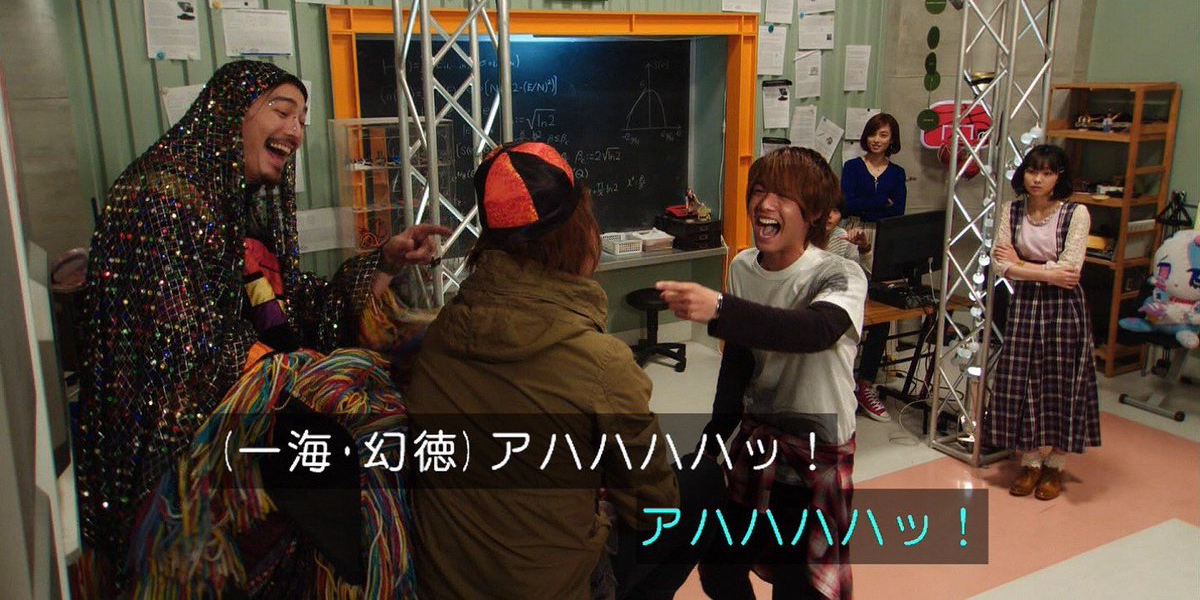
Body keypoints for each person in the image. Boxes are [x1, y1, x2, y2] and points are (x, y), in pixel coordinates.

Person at [71, 60, 447, 595]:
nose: (295, 131)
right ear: (230, 114)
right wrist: (303, 376)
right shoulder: (159, 200)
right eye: (282, 110)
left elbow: (290, 310)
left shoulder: (229, 209)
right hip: (178, 457)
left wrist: (385, 261)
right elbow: (182, 351)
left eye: (302, 119)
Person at [406, 141, 722, 600]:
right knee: (702, 480)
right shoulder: (600, 363)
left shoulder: (437, 337)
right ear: (579, 234)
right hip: (556, 587)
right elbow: (652, 508)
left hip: (447, 583)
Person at [657, 146, 867, 599]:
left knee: (798, 586)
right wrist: (712, 443)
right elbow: (739, 362)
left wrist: (721, 309)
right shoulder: (743, 267)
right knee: (719, 567)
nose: (765, 204)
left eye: (784, 196)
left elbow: (814, 330)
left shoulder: (840, 274)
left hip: (816, 451)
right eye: (759, 191)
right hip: (757, 442)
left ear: (814, 212)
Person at [989, 144, 1099, 500]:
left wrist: (1022, 265)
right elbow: (999, 264)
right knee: (1022, 380)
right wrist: (1043, 272)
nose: (1037, 179)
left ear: (1059, 177)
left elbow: (1070, 271)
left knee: (1060, 381)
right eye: (1032, 171)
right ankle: (1031, 461)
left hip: (1064, 307)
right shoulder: (1011, 210)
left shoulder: (1075, 213)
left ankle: (1055, 464)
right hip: (1025, 304)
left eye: (1047, 173)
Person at [840, 112, 906, 423]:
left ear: (892, 140)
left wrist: (871, 205)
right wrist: (882, 204)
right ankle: (844, 379)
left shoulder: (897, 172)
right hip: (853, 233)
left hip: (887, 239)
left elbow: (899, 209)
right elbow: (847, 204)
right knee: (852, 306)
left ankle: (866, 382)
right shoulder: (852, 167)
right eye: (872, 134)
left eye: (883, 135)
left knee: (881, 310)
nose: (876, 140)